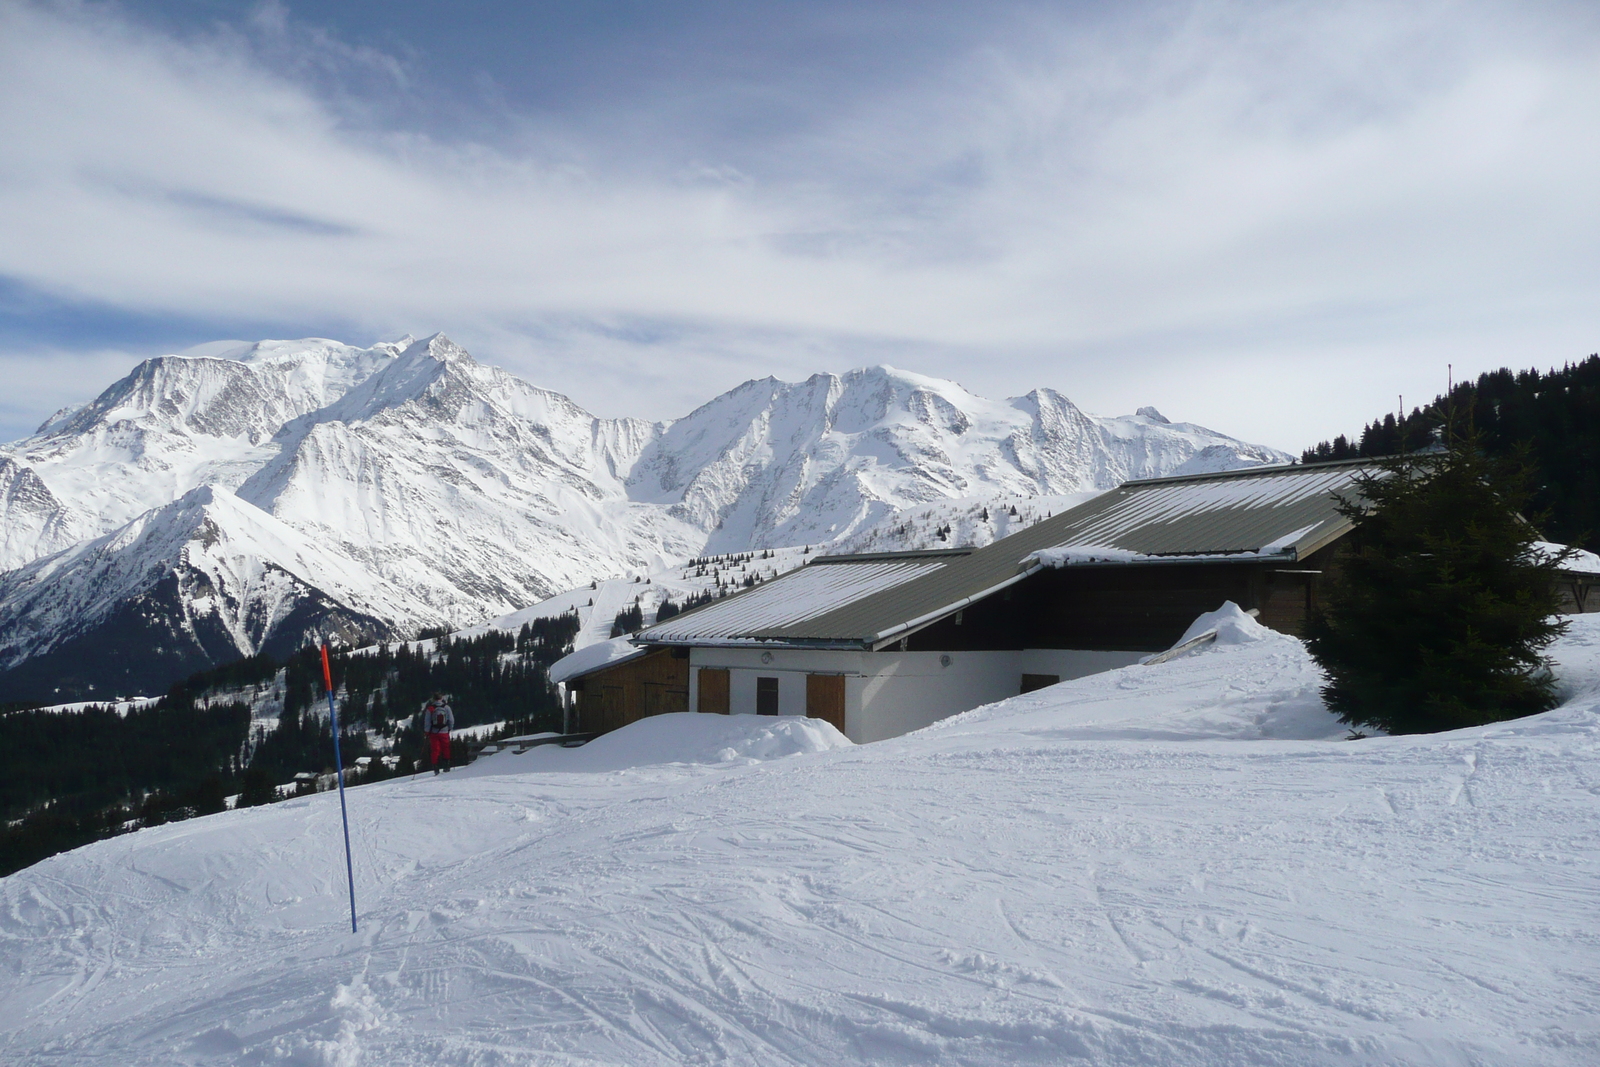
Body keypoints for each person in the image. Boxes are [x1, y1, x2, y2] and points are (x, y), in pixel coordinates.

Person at [422, 693, 454, 774]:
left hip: (434, 732)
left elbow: (427, 722)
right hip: (445, 731)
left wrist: (427, 732)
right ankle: (446, 766)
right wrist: (449, 728)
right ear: (441, 698)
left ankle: (436, 768)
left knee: (435, 750)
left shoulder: (430, 709)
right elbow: (451, 720)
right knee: (446, 748)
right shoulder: (446, 707)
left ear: (433, 699)